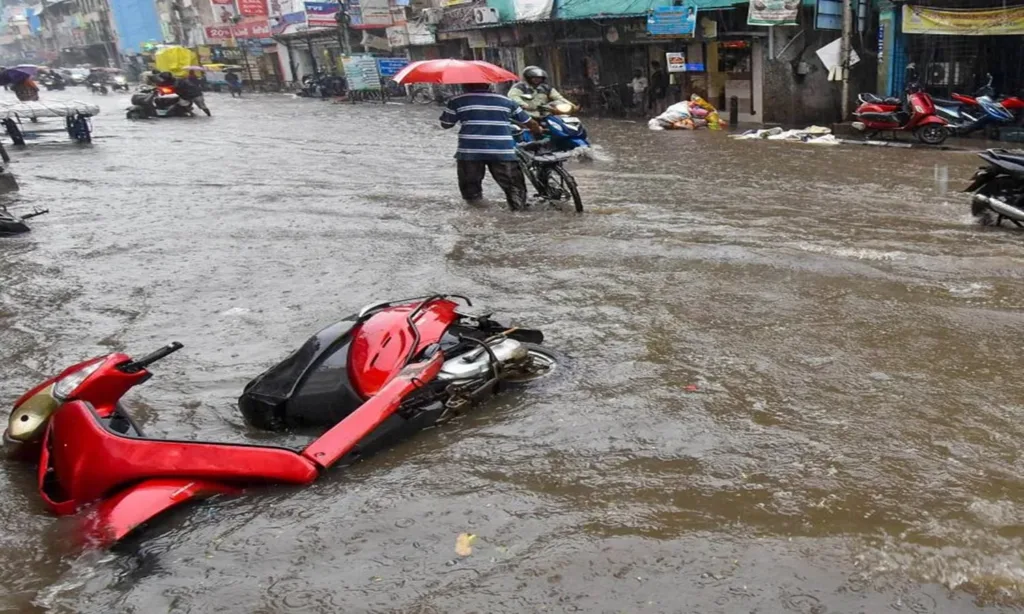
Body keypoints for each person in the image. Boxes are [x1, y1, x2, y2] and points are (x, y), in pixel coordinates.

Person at [439, 82, 542, 211]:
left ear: (465, 86)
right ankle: (518, 212)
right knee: (514, 189)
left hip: (470, 152)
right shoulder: (506, 101)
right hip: (502, 151)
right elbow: (529, 122)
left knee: (471, 191)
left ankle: (477, 214)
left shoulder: (457, 101)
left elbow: (446, 124)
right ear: (489, 85)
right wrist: (538, 131)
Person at [507, 66, 572, 118]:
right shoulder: (520, 86)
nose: (537, 79)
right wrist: (523, 104)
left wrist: (571, 105)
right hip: (526, 114)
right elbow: (513, 96)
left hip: (545, 114)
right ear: (528, 78)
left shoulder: (546, 88)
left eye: (539, 78)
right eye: (534, 77)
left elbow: (558, 97)